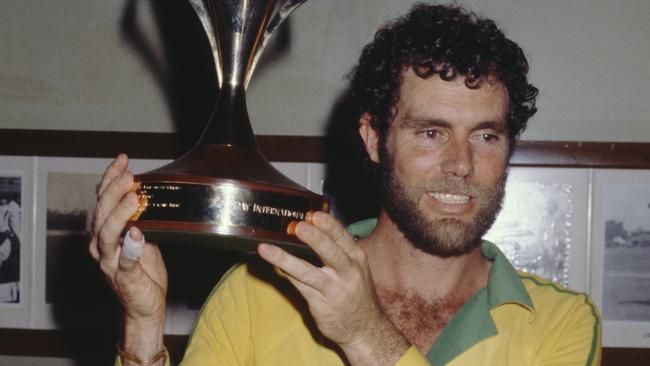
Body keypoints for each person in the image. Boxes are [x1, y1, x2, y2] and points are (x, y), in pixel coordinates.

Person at [90, 3, 601, 365]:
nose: (461, 164)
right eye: (430, 132)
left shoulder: (561, 323)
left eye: (486, 136)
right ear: (374, 139)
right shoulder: (257, 292)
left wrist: (364, 335)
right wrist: (142, 325)